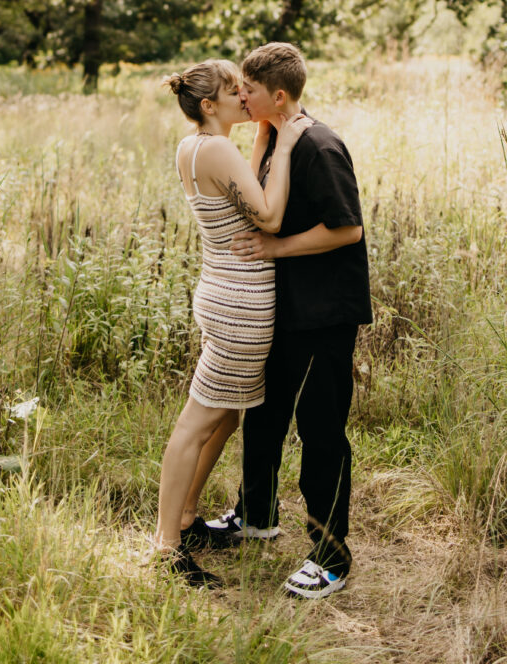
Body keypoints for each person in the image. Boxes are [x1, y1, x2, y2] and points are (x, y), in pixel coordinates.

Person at [204, 42, 373, 600]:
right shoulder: (273, 135)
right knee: (265, 411)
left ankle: (331, 556)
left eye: (247, 90)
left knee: (320, 428)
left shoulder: (321, 146)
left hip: (326, 311)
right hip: (285, 307)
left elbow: (347, 229)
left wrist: (275, 252)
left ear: (277, 95)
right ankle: (256, 515)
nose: (239, 96)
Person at [156, 58, 311, 588]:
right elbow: (267, 216)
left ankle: (185, 517)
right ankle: (166, 547)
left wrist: (266, 138)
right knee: (198, 422)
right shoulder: (216, 147)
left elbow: (237, 189)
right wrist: (286, 146)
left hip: (221, 289)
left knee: (226, 419)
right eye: (233, 91)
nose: (244, 97)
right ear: (208, 105)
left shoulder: (194, 146)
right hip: (241, 301)